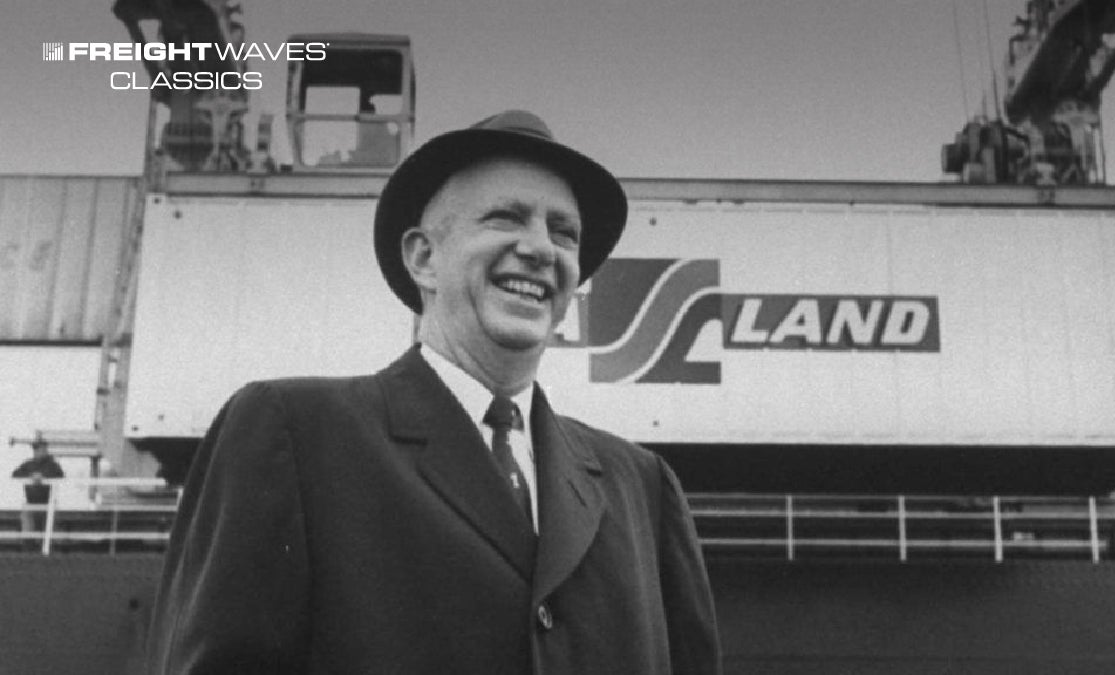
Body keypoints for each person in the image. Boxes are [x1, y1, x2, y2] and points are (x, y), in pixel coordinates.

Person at [145, 109, 722, 674]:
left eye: (563, 232)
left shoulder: (643, 488)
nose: (542, 249)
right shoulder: (293, 432)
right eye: (505, 218)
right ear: (423, 258)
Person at [11, 437, 64, 544]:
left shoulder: (52, 465)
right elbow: (15, 474)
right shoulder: (28, 464)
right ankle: (28, 544)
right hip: (31, 502)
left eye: (42, 448)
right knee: (26, 515)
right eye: (37, 449)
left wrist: (43, 476)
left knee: (50, 523)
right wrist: (30, 476)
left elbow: (60, 475)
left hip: (47, 502)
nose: (39, 451)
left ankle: (49, 545)